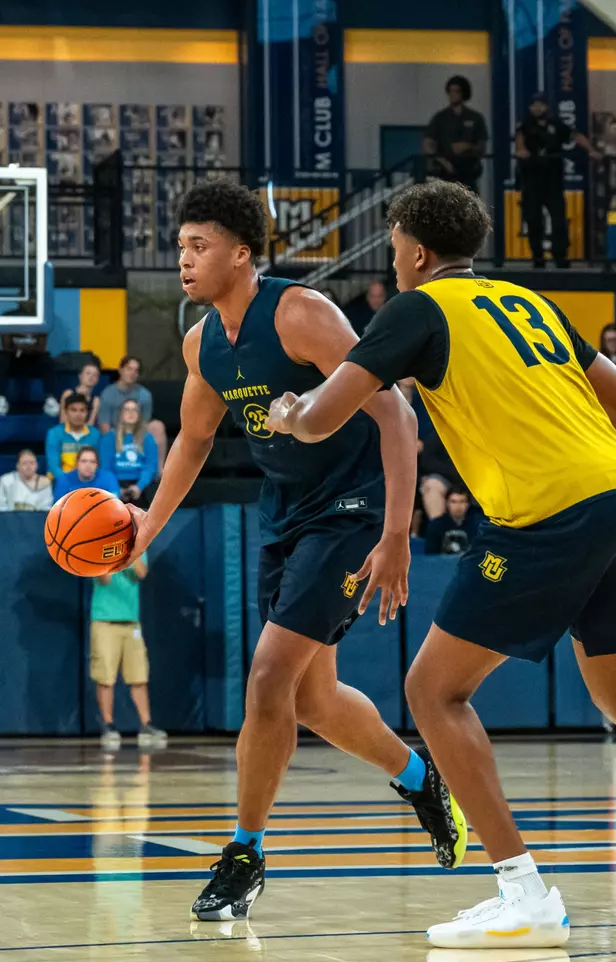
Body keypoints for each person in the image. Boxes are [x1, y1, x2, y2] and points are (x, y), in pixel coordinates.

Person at [267, 179, 616, 945]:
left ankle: (523, 891)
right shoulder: (526, 301)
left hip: (550, 511)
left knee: (433, 691)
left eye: (396, 239)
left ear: (415, 248)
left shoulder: (415, 308)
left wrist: (287, 413)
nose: (394, 254)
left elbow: (326, 415)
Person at [121, 179, 466, 922]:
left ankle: (244, 854)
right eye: (180, 246)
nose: (183, 259)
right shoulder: (200, 341)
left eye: (198, 246)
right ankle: (418, 777)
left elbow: (395, 412)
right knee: (312, 700)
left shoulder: (301, 313)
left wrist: (397, 533)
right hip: (282, 517)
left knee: (270, 676)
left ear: (241, 254)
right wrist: (145, 525)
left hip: (348, 511)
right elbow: (193, 441)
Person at [90, 553, 166, 750]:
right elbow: (104, 579)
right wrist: (111, 555)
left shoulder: (138, 546)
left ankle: (146, 725)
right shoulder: (97, 547)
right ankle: (108, 726)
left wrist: (127, 552)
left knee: (139, 676)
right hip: (104, 620)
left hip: (131, 621)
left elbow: (141, 572)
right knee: (105, 676)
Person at [514, 92, 599, 268]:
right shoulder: (525, 125)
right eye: (534, 105)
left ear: (546, 107)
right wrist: (522, 152)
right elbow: (519, 143)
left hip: (553, 180)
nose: (537, 108)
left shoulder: (556, 124)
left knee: (559, 219)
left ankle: (560, 255)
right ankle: (538, 257)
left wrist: (591, 150)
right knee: (534, 220)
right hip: (532, 178)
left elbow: (575, 136)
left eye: (541, 104)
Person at [98, 355, 168, 469]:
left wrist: (133, 437)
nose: (132, 373)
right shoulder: (108, 393)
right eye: (129, 369)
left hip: (137, 431)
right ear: (121, 370)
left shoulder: (144, 395)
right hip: (116, 432)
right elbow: (104, 424)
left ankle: (159, 471)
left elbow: (145, 422)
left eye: (136, 371)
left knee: (157, 426)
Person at [423, 75, 488, 192]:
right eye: (450, 91)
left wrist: (467, 146)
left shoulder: (475, 117)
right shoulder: (440, 118)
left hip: (469, 170)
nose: (452, 95)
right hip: (445, 170)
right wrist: (442, 160)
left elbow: (482, 145)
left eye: (456, 91)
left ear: (463, 93)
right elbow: (427, 143)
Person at [0, 303, 58, 417]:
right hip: (14, 358)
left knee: (47, 359)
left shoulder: (42, 317)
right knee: (2, 357)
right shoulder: (9, 316)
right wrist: (28, 347)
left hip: (33, 358)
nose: (30, 302)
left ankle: (50, 399)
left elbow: (41, 347)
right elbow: (6, 345)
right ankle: (1, 397)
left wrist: (20, 347)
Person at [99, 398, 159, 503]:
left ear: (139, 414)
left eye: (135, 410)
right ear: (120, 414)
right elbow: (105, 467)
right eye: (127, 410)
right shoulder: (109, 438)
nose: (131, 413)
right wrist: (116, 488)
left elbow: (150, 466)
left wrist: (139, 487)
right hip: (115, 482)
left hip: (141, 484)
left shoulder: (148, 438)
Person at [45, 394, 101, 481]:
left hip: (89, 482)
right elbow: (53, 465)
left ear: (87, 413)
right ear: (66, 412)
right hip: (61, 481)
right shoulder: (54, 433)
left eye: (82, 410)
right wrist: (70, 482)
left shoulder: (95, 434)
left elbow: (99, 465)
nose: (78, 414)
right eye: (73, 410)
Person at [425, 488, 482, 555]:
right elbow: (431, 555)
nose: (458, 506)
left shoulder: (478, 525)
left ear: (468, 504)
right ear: (447, 503)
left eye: (462, 501)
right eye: (453, 502)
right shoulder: (436, 525)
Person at [53, 445, 120, 500]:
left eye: (92, 462)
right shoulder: (64, 479)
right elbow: (58, 508)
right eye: (84, 461)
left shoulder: (108, 478)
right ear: (77, 463)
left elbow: (114, 503)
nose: (88, 465)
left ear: (97, 465)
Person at [59, 361, 102, 426]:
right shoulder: (68, 394)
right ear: (80, 375)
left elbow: (91, 426)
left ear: (97, 380)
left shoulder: (96, 400)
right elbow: (63, 422)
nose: (91, 377)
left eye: (95, 375)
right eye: (88, 373)